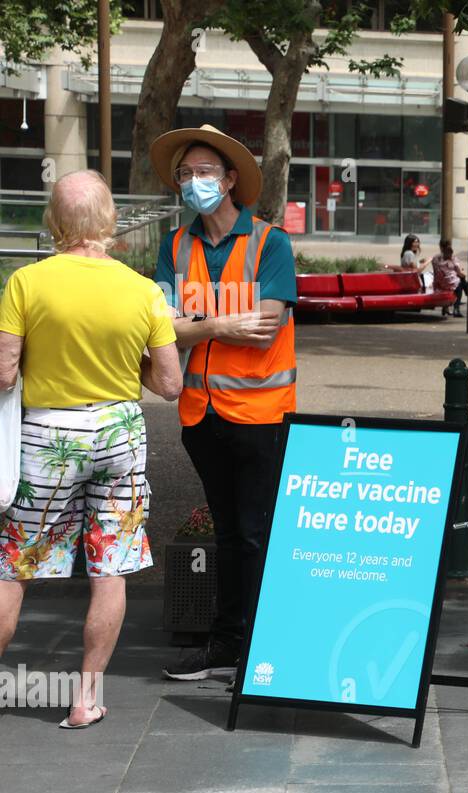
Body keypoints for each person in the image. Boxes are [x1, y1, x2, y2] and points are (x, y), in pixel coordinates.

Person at [0, 170, 182, 728]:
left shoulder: (26, 284)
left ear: (54, 223)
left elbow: (4, 373)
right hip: (120, 432)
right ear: (109, 224)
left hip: (47, 436)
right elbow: (171, 386)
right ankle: (85, 698)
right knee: (112, 567)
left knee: (12, 568)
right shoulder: (144, 290)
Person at [150, 124, 299, 683]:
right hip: (200, 417)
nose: (194, 182)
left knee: (257, 532)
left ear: (231, 179)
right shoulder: (175, 245)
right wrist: (218, 324)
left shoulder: (270, 241)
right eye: (185, 174)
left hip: (262, 417)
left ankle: (260, 647)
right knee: (230, 534)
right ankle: (228, 644)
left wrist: (194, 328)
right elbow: (160, 329)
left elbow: (267, 326)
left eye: (205, 172)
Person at [431, 238, 468, 317]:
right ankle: (459, 307)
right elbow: (458, 273)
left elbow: (437, 273)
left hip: (439, 283)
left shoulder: (435, 258)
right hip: (449, 283)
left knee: (458, 281)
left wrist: (435, 283)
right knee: (460, 283)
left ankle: (446, 308)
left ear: (440, 246)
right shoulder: (451, 258)